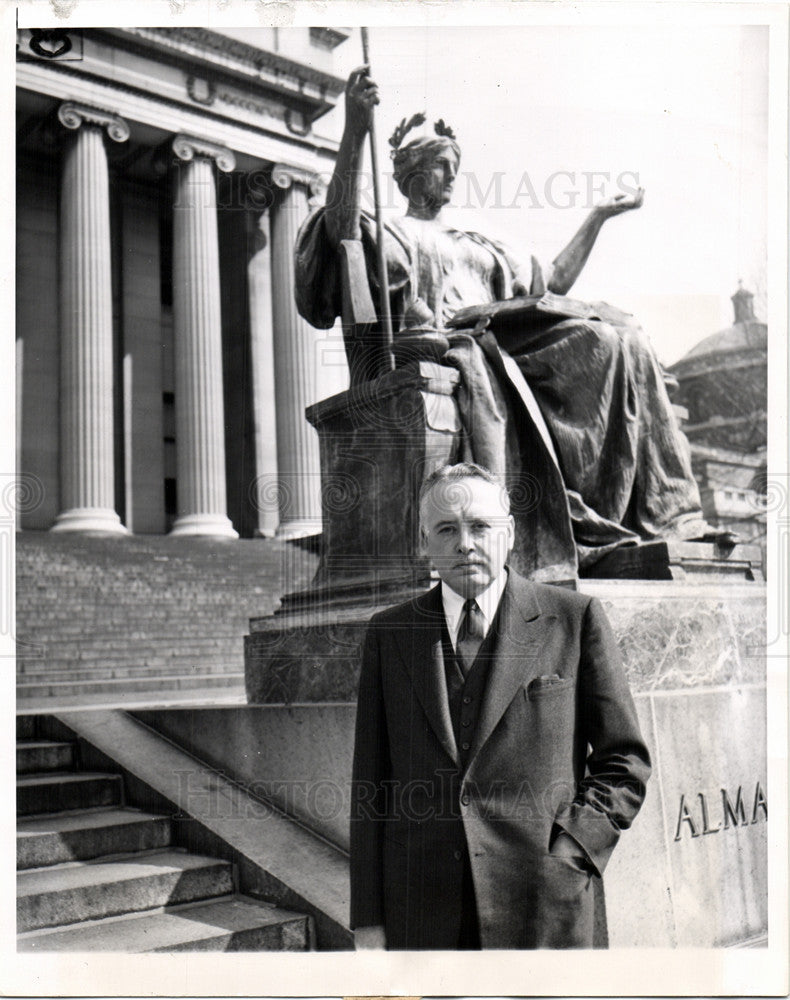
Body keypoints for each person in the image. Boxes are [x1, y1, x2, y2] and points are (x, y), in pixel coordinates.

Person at [295, 67, 717, 579]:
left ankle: (664, 512)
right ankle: (584, 523)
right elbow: (340, 229)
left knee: (617, 336)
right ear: (410, 174)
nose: (452, 177)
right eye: (442, 166)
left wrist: (598, 216)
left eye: (456, 167)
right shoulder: (390, 229)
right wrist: (356, 128)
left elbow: (552, 280)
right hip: (455, 343)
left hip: (511, 336)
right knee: (596, 339)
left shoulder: (480, 238)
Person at [350, 463, 651, 949]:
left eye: (480, 527)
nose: (464, 543)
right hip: (423, 913)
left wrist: (573, 850)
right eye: (446, 529)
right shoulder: (389, 633)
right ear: (425, 540)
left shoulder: (574, 619)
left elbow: (625, 761)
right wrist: (368, 919)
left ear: (508, 534)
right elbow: (370, 784)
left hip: (546, 903)